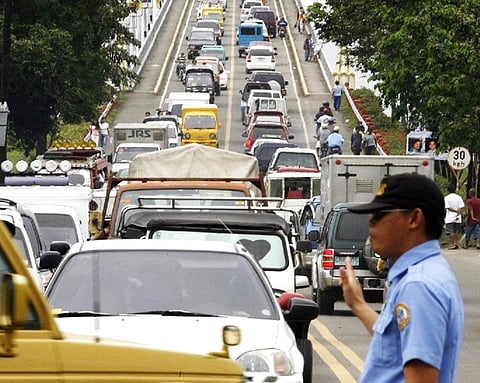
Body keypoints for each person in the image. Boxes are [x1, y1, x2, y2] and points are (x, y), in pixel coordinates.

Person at [340, 173, 464, 383]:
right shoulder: (424, 273)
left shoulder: (419, 285)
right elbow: (396, 348)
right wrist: (359, 306)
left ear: (414, 218)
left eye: (379, 215)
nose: (370, 223)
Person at [444, 183, 464, 250]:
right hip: (458, 217)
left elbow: (448, 207)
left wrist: (455, 211)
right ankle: (455, 243)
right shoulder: (459, 197)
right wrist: (458, 211)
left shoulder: (446, 198)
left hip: (450, 218)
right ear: (454, 190)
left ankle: (452, 244)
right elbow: (461, 206)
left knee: (451, 232)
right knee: (456, 232)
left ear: (448, 190)